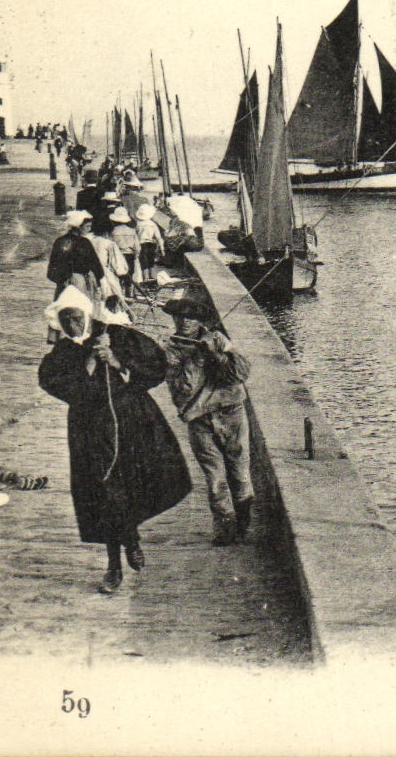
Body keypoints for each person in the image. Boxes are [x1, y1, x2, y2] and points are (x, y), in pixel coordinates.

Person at [37, 289, 192, 593]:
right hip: (90, 431)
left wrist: (119, 362)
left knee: (130, 487)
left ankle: (131, 536)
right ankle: (114, 566)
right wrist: (89, 367)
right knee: (104, 494)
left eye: (76, 316)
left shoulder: (115, 335)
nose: (72, 323)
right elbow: (51, 382)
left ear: (87, 313)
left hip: (132, 425)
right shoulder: (65, 352)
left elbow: (157, 366)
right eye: (65, 318)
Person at [163, 299, 254, 545]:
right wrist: (198, 359)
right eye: (180, 317)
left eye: (191, 317)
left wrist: (217, 354)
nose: (185, 322)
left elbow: (241, 374)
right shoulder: (170, 351)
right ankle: (225, 527)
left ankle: (244, 523)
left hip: (231, 412)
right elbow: (182, 390)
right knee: (215, 479)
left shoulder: (218, 339)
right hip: (200, 420)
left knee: (240, 472)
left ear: (200, 321)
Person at [109, 208, 139, 296]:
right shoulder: (132, 230)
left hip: (118, 254)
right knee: (129, 274)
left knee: (118, 274)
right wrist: (136, 254)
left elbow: (111, 244)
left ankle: (119, 292)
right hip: (130, 254)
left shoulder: (113, 231)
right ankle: (128, 292)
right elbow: (137, 246)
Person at [134, 204, 165, 287]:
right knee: (151, 261)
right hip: (151, 244)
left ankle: (146, 278)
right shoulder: (152, 224)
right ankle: (152, 277)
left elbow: (135, 236)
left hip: (141, 244)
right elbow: (158, 237)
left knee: (144, 262)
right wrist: (162, 248)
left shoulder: (138, 224)